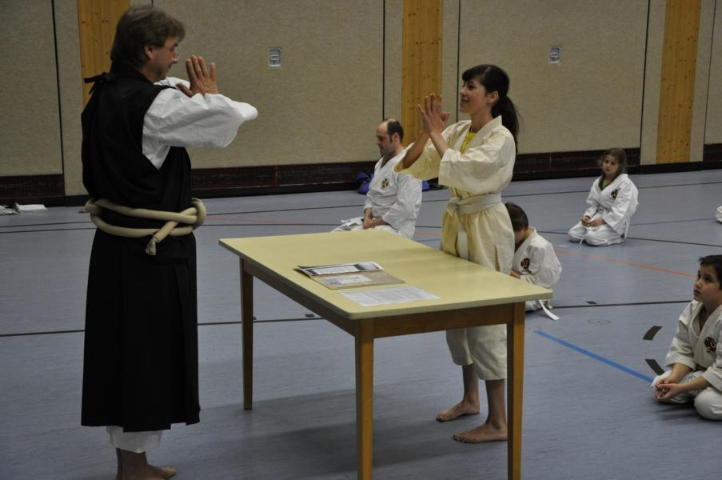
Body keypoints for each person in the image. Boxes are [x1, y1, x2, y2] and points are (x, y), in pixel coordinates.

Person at [81, 5, 257, 479]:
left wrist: (189, 95)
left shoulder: (104, 93)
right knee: (145, 355)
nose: (177, 57)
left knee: (124, 352)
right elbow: (232, 121)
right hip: (149, 256)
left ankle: (132, 462)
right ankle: (132, 468)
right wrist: (210, 96)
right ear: (148, 50)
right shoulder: (155, 106)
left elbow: (184, 103)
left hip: (115, 250)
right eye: (172, 48)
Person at [396, 64, 518, 443]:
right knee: (458, 316)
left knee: (486, 322)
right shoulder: (460, 131)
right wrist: (426, 133)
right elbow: (415, 166)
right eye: (463, 85)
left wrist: (437, 134)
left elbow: (466, 171)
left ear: (492, 96)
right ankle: (470, 399)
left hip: (486, 227)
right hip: (458, 223)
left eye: (472, 86)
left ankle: (499, 422)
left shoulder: (501, 138)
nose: (463, 91)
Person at [652, 255, 722, 420]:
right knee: (662, 382)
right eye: (699, 276)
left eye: (708, 279)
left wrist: (683, 388)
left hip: (718, 374)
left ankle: (699, 388)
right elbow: (684, 349)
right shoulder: (694, 307)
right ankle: (699, 386)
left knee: (706, 404)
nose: (698, 283)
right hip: (708, 372)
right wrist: (674, 378)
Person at [333, 119, 422, 238]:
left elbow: (405, 208)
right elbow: (371, 195)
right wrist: (367, 217)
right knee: (333, 236)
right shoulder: (380, 163)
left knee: (352, 242)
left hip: (395, 228)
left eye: (381, 139)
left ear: (395, 137)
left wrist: (373, 223)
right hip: (373, 223)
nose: (377, 142)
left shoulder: (407, 166)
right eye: (377, 138)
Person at [568, 148, 639, 246]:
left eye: (613, 163)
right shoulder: (598, 182)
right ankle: (594, 232)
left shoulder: (625, 184)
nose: (608, 165)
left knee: (591, 237)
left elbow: (621, 211)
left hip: (615, 223)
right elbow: (593, 204)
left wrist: (602, 221)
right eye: (606, 162)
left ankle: (617, 237)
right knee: (573, 234)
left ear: (620, 166)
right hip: (598, 216)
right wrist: (587, 216)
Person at [506, 202, 561, 313]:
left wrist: (507, 271)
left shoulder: (540, 246)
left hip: (534, 293)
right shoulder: (510, 240)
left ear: (522, 227)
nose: (507, 237)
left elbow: (541, 283)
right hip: (509, 285)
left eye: (511, 233)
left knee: (505, 304)